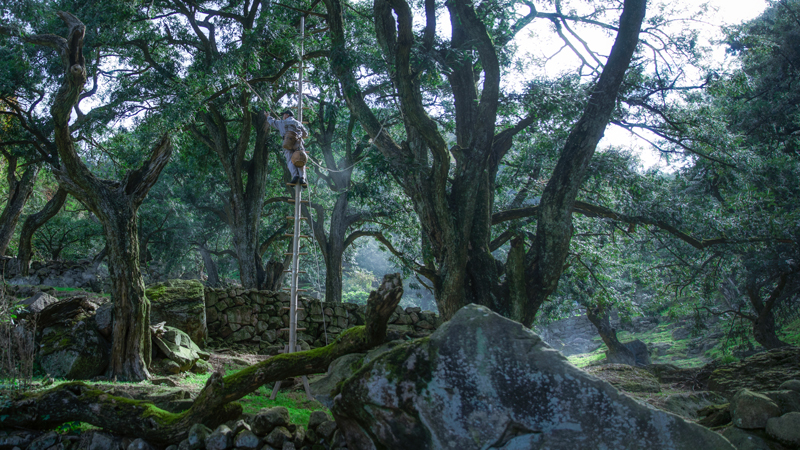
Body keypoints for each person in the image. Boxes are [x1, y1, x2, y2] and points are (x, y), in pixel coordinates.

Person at [267, 110, 309, 186]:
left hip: (287, 143)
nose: (283, 116)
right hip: (297, 143)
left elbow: (272, 122)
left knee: (290, 160)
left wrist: (268, 116)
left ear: (287, 115)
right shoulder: (297, 122)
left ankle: (295, 176)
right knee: (300, 159)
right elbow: (306, 133)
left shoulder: (281, 123)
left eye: (284, 115)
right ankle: (302, 178)